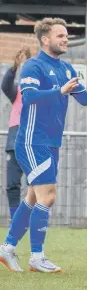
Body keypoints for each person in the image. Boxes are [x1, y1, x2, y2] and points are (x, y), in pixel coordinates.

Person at [0, 17, 87, 273]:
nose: (65, 39)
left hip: (51, 143)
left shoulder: (67, 68)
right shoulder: (33, 66)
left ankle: (7, 248)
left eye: (66, 35)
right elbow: (30, 96)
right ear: (45, 39)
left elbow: (83, 97)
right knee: (49, 196)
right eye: (60, 35)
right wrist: (59, 91)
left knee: (33, 198)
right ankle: (37, 257)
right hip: (33, 141)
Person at [1, 47, 31, 220]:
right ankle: (15, 220)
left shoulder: (41, 90)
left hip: (33, 141)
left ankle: (32, 218)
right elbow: (5, 85)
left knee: (34, 184)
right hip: (15, 142)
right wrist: (14, 67)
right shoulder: (16, 91)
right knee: (12, 184)